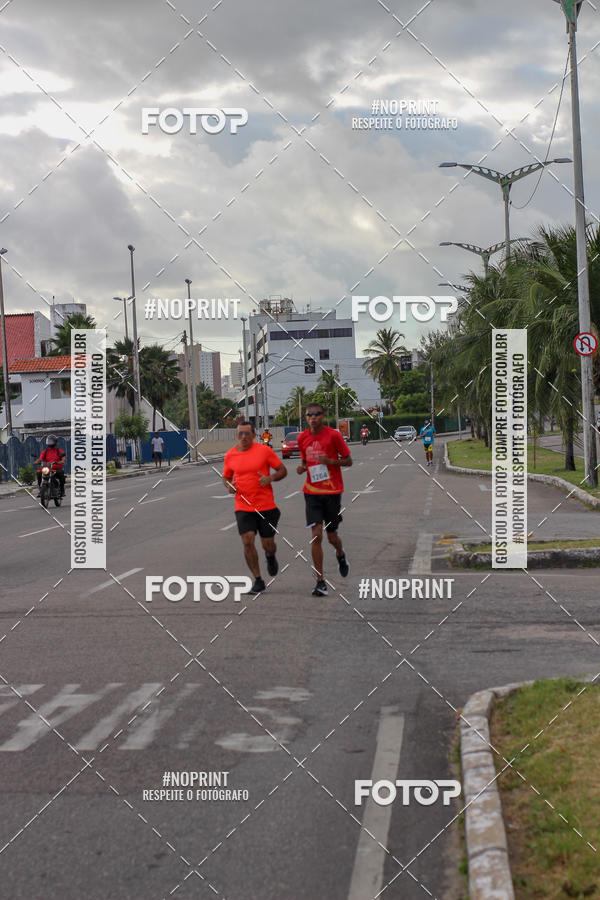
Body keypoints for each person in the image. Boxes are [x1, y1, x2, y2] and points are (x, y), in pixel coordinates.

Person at [222, 421, 287, 594]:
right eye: (240, 434)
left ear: (253, 435)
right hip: (243, 506)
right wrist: (229, 486)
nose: (243, 437)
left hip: (266, 506)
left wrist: (270, 478)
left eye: (246, 434)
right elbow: (226, 477)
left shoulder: (264, 451)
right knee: (247, 541)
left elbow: (282, 470)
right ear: (236, 435)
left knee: (268, 544)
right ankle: (258, 580)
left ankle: (270, 556)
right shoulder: (230, 455)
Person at [297, 402, 352, 597]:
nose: (313, 418)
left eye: (317, 414)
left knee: (331, 537)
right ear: (306, 418)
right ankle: (320, 581)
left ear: (323, 415)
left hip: (332, 492)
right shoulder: (302, 438)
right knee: (316, 534)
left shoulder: (334, 435)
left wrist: (331, 462)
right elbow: (304, 461)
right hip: (311, 492)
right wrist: (302, 467)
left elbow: (348, 460)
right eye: (309, 415)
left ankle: (341, 554)